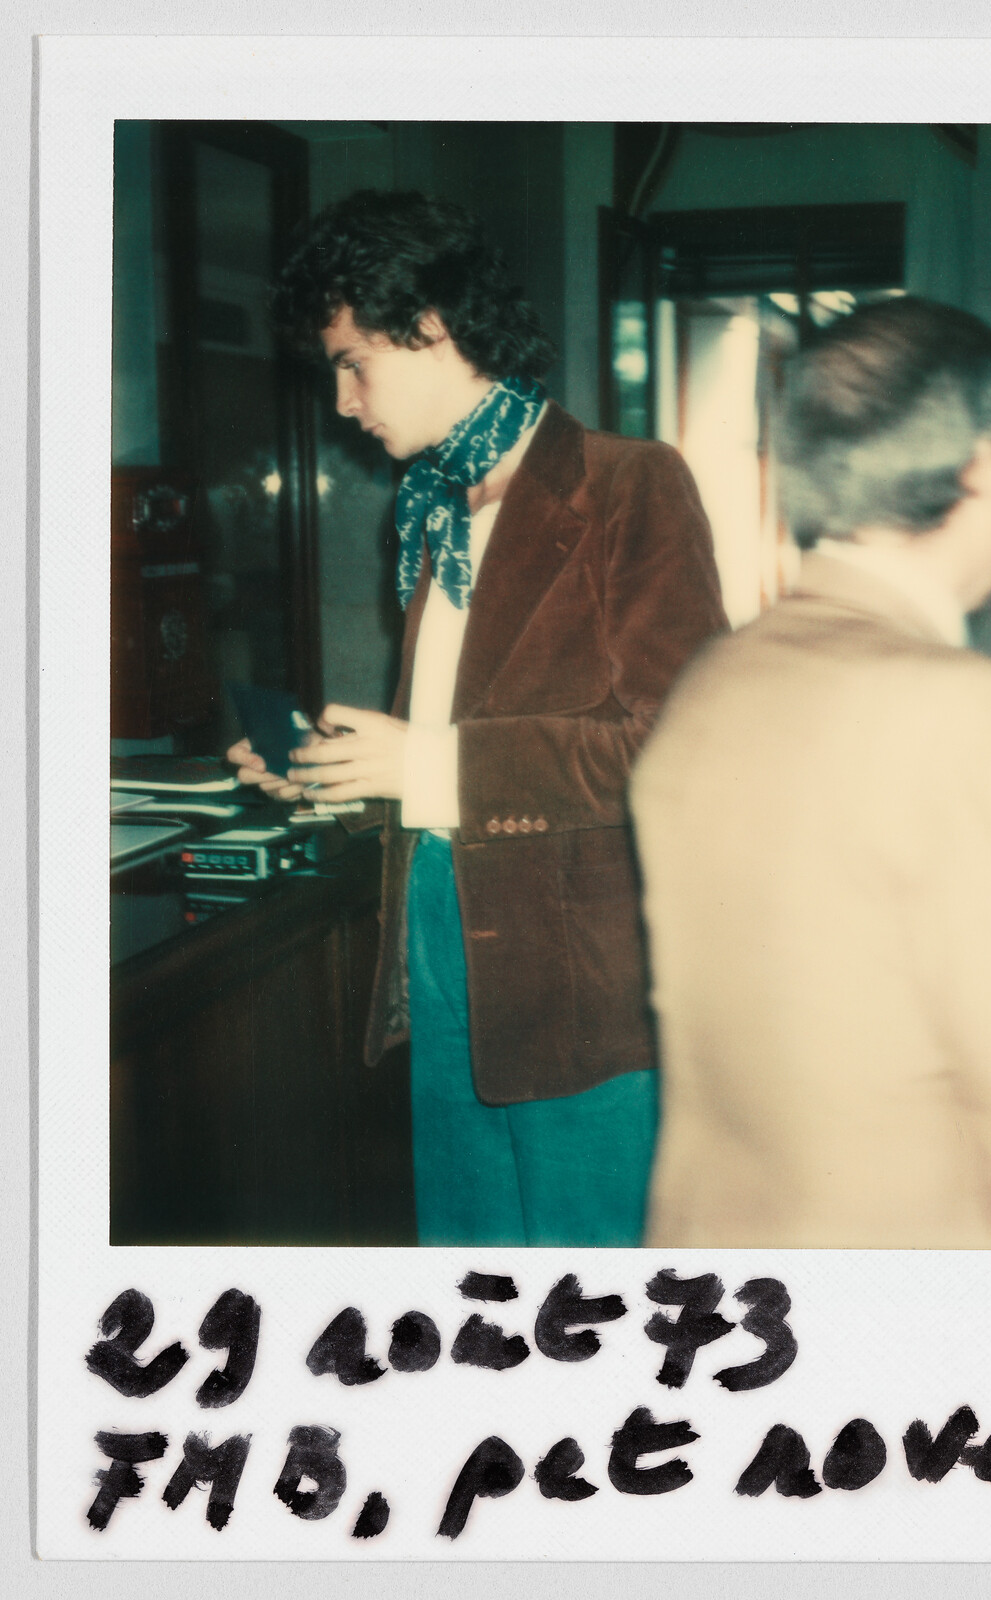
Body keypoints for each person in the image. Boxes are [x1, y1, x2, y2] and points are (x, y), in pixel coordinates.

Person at [228, 190, 726, 1247]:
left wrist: (423, 764)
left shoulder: (631, 486)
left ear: (433, 329)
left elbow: (676, 753)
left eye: (353, 361)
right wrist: (336, 775)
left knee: (594, 1297)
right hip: (438, 936)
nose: (343, 401)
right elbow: (436, 764)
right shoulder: (430, 513)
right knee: (471, 1280)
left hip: (583, 979)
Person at [630, 297, 991, 1250]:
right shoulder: (959, 710)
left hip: (723, 1284)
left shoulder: (711, 680)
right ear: (987, 463)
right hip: (914, 1301)